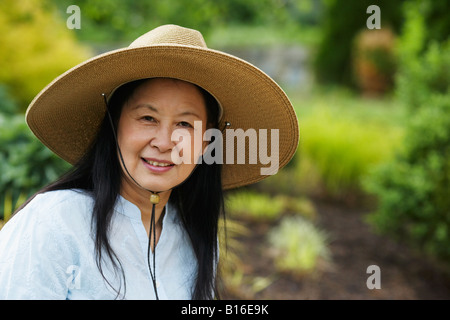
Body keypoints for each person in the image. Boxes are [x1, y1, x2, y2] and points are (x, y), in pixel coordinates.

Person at [0, 24, 299, 299]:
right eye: (147, 118)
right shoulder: (54, 223)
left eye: (185, 125)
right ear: (114, 125)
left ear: (207, 143)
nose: (164, 142)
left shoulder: (195, 240)